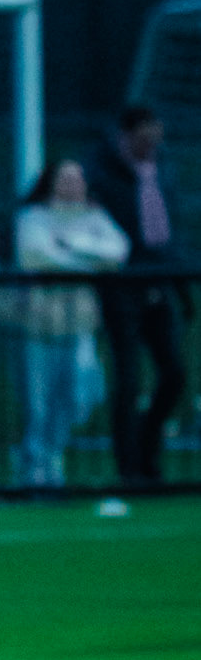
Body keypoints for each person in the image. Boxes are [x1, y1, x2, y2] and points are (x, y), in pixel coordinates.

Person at [86, 106, 188, 482]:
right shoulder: (102, 168)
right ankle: (128, 467)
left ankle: (147, 448)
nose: (153, 143)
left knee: (174, 373)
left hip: (161, 278)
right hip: (122, 284)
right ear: (127, 135)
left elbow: (169, 224)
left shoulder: (163, 167)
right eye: (145, 136)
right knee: (127, 378)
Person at [14, 161, 130, 488]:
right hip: (40, 321)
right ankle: (34, 468)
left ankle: (54, 458)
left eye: (78, 178)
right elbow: (37, 255)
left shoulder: (94, 216)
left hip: (79, 321)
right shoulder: (33, 217)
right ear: (51, 182)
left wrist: (73, 246)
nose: (72, 184)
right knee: (38, 399)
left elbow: (118, 251)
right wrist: (88, 261)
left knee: (73, 396)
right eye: (65, 178)